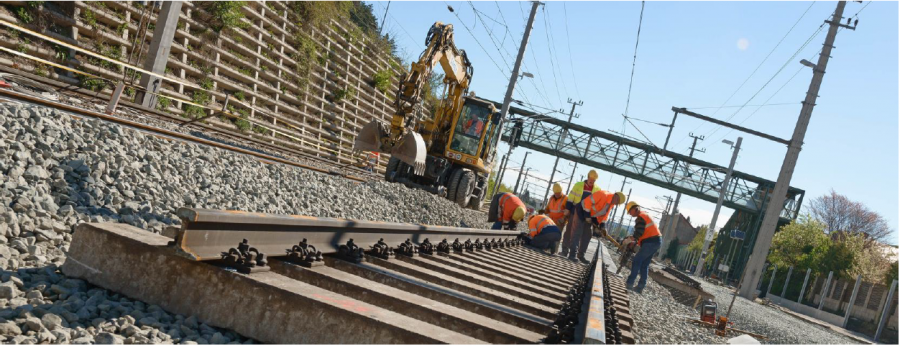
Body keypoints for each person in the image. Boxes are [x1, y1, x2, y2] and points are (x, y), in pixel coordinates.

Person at [623, 201, 662, 294]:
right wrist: (635, 242)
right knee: (644, 264)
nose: (629, 213)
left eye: (630, 211)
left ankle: (629, 283)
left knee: (637, 261)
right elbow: (642, 234)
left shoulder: (641, 217)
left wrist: (628, 240)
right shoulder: (644, 215)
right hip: (656, 241)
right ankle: (640, 287)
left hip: (650, 242)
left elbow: (638, 233)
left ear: (635, 208)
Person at [561, 170, 601, 260]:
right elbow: (571, 197)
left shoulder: (597, 189)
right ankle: (564, 251)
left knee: (587, 234)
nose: (592, 181)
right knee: (569, 231)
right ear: (588, 177)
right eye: (591, 179)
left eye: (594, 180)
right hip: (575, 210)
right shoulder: (578, 185)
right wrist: (567, 208)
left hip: (588, 214)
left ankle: (581, 255)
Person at [580, 189, 626, 260]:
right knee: (577, 232)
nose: (616, 204)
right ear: (616, 196)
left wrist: (602, 226)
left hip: (590, 216)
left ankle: (581, 255)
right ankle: (571, 253)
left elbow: (604, 216)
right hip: (581, 210)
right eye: (618, 202)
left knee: (588, 234)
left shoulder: (610, 204)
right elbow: (587, 202)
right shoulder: (603, 195)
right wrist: (587, 215)